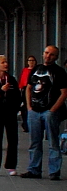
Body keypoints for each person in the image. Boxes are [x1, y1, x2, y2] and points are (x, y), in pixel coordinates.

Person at [23, 45, 67, 180]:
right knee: (34, 141)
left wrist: (52, 110)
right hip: (34, 111)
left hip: (50, 112)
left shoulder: (59, 72)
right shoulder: (36, 69)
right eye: (46, 53)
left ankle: (54, 171)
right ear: (43, 54)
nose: (48, 56)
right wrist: (29, 107)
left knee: (53, 141)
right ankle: (34, 169)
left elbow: (64, 92)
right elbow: (29, 88)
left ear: (56, 57)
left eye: (52, 54)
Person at [18, 54, 37, 132]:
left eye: (33, 60)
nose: (31, 62)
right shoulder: (25, 70)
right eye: (29, 60)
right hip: (25, 89)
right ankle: (26, 124)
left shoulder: (36, 70)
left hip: (34, 89)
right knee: (25, 107)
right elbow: (22, 81)